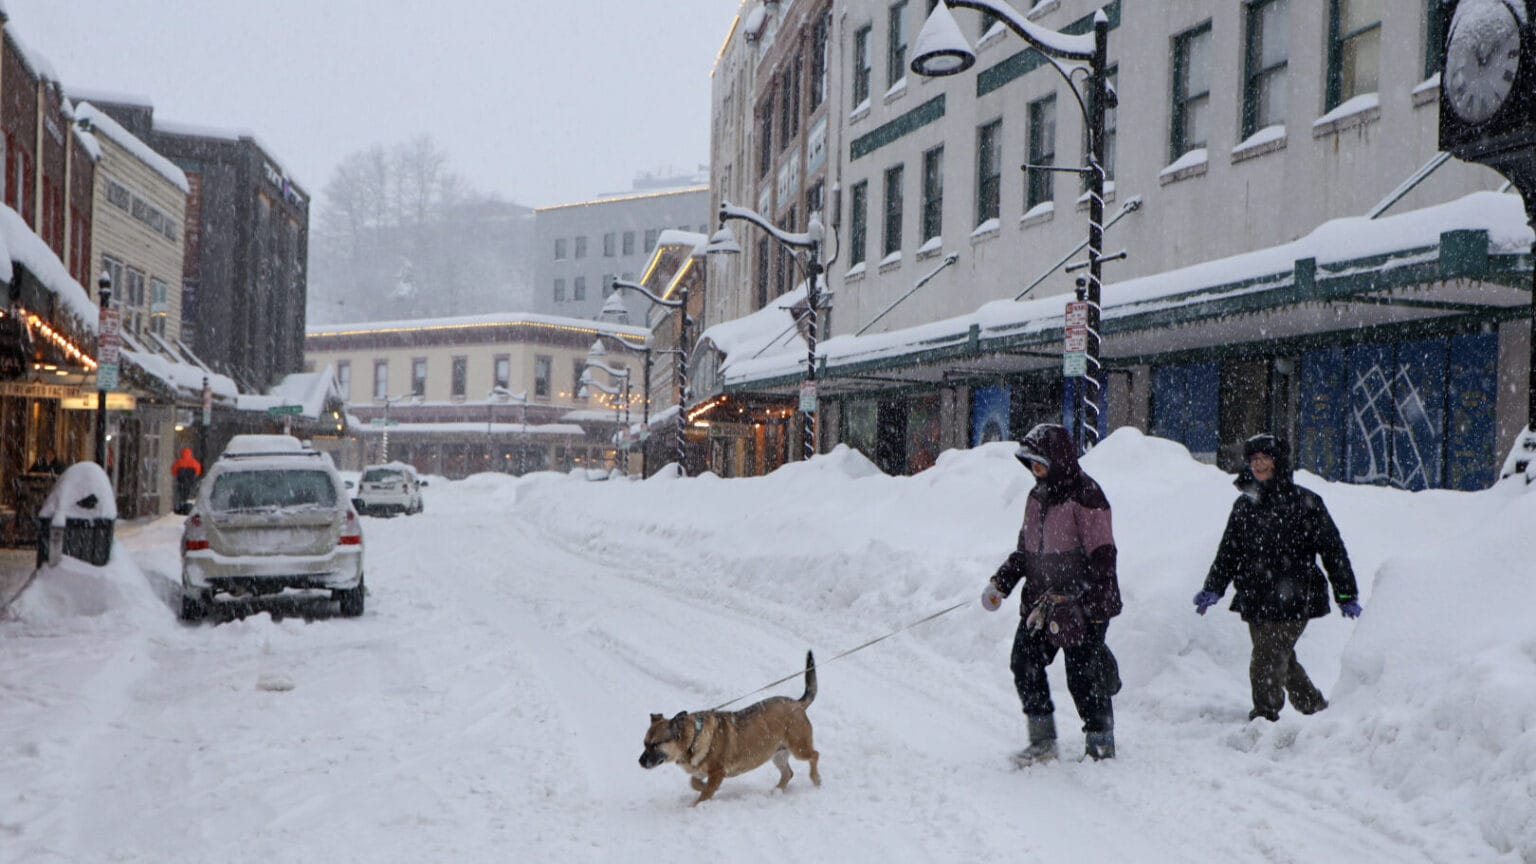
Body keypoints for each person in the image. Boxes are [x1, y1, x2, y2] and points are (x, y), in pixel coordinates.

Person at [1194, 433, 1362, 722]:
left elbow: (1333, 550)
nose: (1258, 465)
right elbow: (1229, 552)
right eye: (1253, 459)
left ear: (1278, 462)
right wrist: (1213, 588)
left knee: (1266, 658)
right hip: (1255, 596)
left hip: (1295, 596)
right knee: (1277, 656)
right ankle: (1314, 706)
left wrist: (1346, 594)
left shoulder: (1306, 503)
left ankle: (1265, 715)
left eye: (1265, 458)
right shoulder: (1245, 506)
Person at [981, 423, 1122, 764]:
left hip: (1081, 602)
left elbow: (1103, 555)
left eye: (1040, 462)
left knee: (1083, 675)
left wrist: (1096, 607)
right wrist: (1001, 583)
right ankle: (1043, 741)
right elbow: (1025, 551)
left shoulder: (1087, 495)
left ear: (1057, 459)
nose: (1036, 470)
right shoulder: (1036, 496)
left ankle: (1101, 742)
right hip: (1041, 603)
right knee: (1024, 661)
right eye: (1031, 463)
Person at [171, 447, 203, 515]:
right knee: (189, 496)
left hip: (181, 483)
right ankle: (188, 507)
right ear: (190, 454)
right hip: (191, 483)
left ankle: (180, 507)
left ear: (182, 453)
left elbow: (173, 471)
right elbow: (198, 471)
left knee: (181, 495)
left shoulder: (179, 462)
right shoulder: (194, 462)